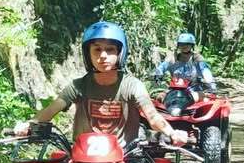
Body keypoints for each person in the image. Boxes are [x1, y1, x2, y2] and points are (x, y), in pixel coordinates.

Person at [14, 21, 189, 145]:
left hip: (124, 157)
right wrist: (28, 125)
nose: (103, 55)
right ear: (88, 54)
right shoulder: (77, 86)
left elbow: (153, 116)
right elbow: (51, 110)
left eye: (110, 49)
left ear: (120, 53)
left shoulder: (132, 86)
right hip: (82, 158)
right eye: (97, 49)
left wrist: (172, 133)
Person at [152, 31, 217, 95]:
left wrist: (211, 84)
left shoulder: (196, 58)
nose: (184, 46)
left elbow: (205, 71)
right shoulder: (173, 58)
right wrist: (158, 76)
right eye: (181, 44)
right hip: (175, 88)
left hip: (193, 88)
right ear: (178, 45)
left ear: (192, 46)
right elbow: (162, 67)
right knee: (161, 97)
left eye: (187, 44)